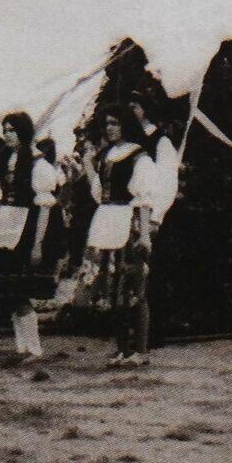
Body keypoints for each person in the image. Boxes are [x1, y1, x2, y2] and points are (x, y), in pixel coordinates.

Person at [0, 112, 64, 362]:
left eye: (12, 130)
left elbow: (45, 206)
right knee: (8, 291)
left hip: (25, 227)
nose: (7, 135)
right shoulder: (4, 159)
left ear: (24, 132)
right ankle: (22, 348)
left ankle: (34, 349)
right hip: (5, 225)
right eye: (5, 130)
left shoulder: (38, 164)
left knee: (19, 291)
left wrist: (38, 244)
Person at [78, 104, 157, 367]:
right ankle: (122, 348)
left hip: (127, 221)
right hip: (107, 220)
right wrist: (88, 165)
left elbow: (144, 199)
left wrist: (144, 235)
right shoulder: (107, 155)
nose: (110, 128)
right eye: (107, 124)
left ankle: (141, 351)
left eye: (115, 123)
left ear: (126, 125)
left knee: (134, 289)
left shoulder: (139, 156)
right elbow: (100, 193)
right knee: (113, 291)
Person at [129, 91, 180, 348]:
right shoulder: (130, 141)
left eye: (135, 106)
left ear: (145, 110)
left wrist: (155, 218)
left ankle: (154, 333)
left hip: (153, 217)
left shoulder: (161, 142)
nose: (130, 111)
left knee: (153, 275)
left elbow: (168, 183)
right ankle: (134, 332)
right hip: (130, 215)